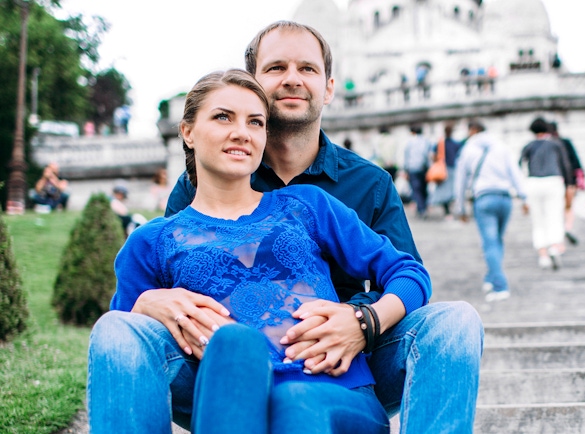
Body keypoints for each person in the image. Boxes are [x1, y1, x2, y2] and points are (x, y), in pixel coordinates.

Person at [163, 21, 483, 434]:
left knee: (455, 321)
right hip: (225, 365)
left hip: (347, 364)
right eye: (276, 67)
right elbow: (166, 262)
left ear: (329, 87)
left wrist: (360, 322)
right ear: (254, 86)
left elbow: (407, 280)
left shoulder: (370, 183)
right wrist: (149, 301)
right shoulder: (206, 177)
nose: (293, 79)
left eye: (307, 69)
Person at [88, 68, 431, 433]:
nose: (241, 132)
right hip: (227, 395)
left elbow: (410, 273)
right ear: (187, 131)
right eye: (223, 117)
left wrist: (366, 320)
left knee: (294, 400)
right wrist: (143, 304)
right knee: (229, 342)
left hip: (332, 391)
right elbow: (124, 348)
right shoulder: (152, 240)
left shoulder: (308, 205)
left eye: (255, 122)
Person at [454, 120, 528, 302]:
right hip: (505, 198)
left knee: (490, 242)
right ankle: (490, 275)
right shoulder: (501, 146)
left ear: (472, 130)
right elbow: (515, 172)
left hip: (484, 198)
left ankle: (500, 285)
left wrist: (460, 208)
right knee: (497, 240)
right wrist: (524, 197)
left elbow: (460, 180)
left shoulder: (468, 149)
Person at [519, 117, 572, 270]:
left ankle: (543, 256)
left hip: (534, 183)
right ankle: (554, 247)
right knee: (554, 216)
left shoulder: (528, 146)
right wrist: (569, 185)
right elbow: (565, 165)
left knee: (538, 220)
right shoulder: (556, 144)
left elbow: (521, 166)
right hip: (553, 181)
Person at [547, 121, 584, 245]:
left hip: (553, 181)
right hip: (569, 181)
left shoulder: (548, 145)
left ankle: (558, 232)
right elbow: (576, 161)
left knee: (555, 208)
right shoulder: (566, 142)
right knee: (568, 207)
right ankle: (567, 227)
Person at [428, 123, 463, 219]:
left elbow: (433, 156)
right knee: (452, 191)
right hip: (452, 169)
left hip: (443, 170)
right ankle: (449, 211)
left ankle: (447, 211)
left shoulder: (440, 143)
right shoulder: (456, 144)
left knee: (444, 191)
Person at [403, 124, 432, 219]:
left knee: (416, 190)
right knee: (424, 189)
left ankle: (421, 209)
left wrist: (405, 169)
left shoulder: (409, 142)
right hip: (424, 168)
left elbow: (406, 157)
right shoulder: (426, 141)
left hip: (412, 168)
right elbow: (428, 155)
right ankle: (424, 206)